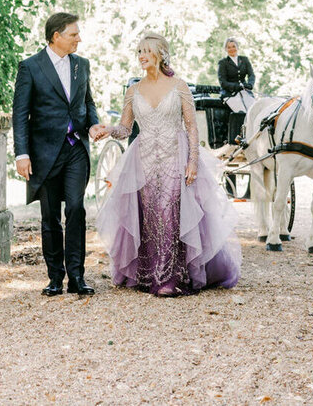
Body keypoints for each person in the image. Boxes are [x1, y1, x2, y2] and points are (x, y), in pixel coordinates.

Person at [90, 33, 241, 296]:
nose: (141, 56)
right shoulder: (133, 90)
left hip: (175, 155)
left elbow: (192, 127)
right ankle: (149, 274)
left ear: (161, 54)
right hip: (144, 159)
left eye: (147, 51)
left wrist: (193, 161)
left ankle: (171, 278)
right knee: (150, 214)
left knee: (170, 210)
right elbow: (126, 129)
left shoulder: (179, 86)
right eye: (138, 51)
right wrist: (109, 129)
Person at [12, 12, 99, 296]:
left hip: (76, 150)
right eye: (74, 34)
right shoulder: (30, 67)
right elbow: (20, 114)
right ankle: (54, 278)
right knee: (50, 216)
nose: (79, 39)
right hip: (44, 153)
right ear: (56, 36)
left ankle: (76, 276)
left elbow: (88, 102)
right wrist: (21, 154)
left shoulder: (82, 65)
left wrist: (94, 123)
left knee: (76, 208)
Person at [217, 37, 255, 115]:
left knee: (253, 110)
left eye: (233, 46)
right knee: (242, 112)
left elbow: (251, 75)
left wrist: (250, 84)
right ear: (226, 49)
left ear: (237, 47)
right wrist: (236, 86)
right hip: (230, 94)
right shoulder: (223, 63)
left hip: (245, 92)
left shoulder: (244, 60)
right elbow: (223, 82)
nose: (232, 49)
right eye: (229, 47)